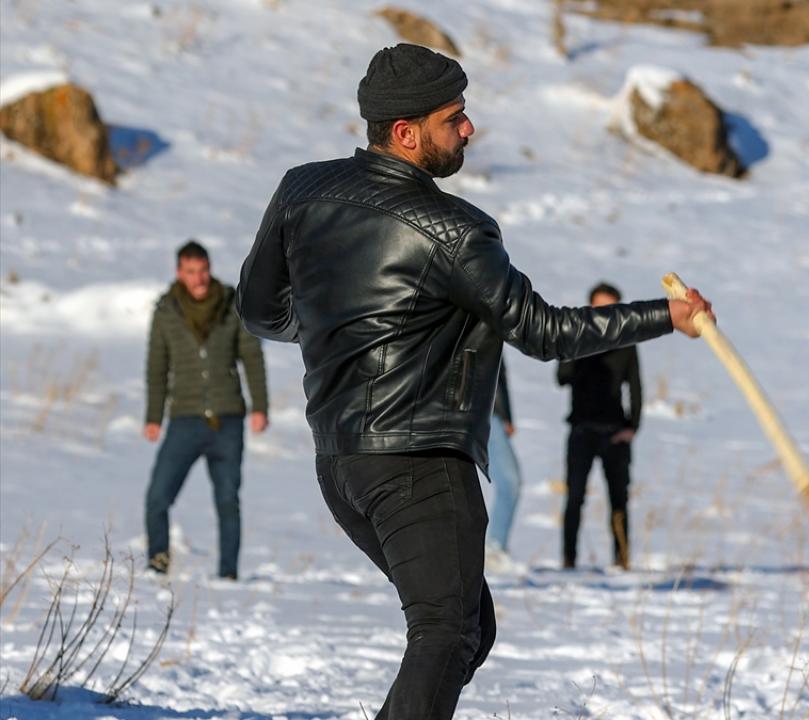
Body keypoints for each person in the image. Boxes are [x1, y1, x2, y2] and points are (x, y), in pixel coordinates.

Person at [236, 43, 713, 719]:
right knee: (447, 631)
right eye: (453, 117)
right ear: (404, 133)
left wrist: (333, 325)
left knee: (466, 630)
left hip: (342, 467)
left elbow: (260, 311)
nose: (469, 128)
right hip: (419, 466)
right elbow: (545, 332)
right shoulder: (454, 230)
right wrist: (666, 316)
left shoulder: (301, 190)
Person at [144, 240, 269, 580]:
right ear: (179, 273)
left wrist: (260, 406)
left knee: (228, 501)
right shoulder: (166, 310)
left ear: (209, 268)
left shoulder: (230, 305)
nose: (198, 279)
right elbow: (157, 366)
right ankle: (157, 565)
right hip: (184, 419)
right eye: (190, 272)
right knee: (158, 497)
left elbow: (251, 357)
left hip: (228, 421)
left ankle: (228, 574)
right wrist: (153, 417)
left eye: (202, 271)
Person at [556, 282, 644, 570]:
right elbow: (561, 377)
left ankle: (622, 561)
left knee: (619, 499)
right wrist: (575, 344)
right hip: (582, 431)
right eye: (598, 307)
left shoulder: (626, 344)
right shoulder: (577, 340)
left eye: (609, 307)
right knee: (574, 498)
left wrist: (632, 427)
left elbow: (637, 388)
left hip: (614, 433)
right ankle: (569, 561)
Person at [484, 355, 521, 565]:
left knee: (510, 482)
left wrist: (507, 416)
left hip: (492, 413)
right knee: (510, 481)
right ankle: (494, 548)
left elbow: (499, 376)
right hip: (480, 411)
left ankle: (495, 547)